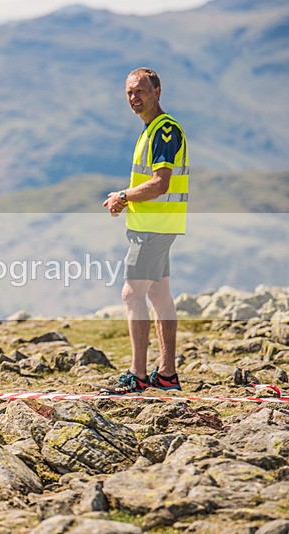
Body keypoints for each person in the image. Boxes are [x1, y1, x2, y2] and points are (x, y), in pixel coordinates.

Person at [102, 67, 189, 394]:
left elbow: (160, 182)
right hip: (153, 226)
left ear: (157, 91)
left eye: (140, 91)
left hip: (155, 227)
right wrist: (126, 200)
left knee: (131, 294)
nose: (134, 98)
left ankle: (138, 376)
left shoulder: (164, 131)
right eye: (129, 93)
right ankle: (166, 375)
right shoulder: (151, 130)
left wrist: (123, 195)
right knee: (159, 295)